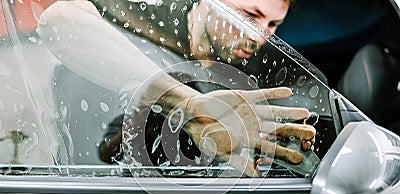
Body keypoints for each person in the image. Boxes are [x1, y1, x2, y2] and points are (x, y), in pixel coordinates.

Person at [37, 0, 316, 177]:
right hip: (85, 182)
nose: (259, 36)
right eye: (248, 16)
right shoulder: (146, 12)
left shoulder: (253, 76)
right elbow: (57, 21)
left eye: (272, 25)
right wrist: (191, 107)